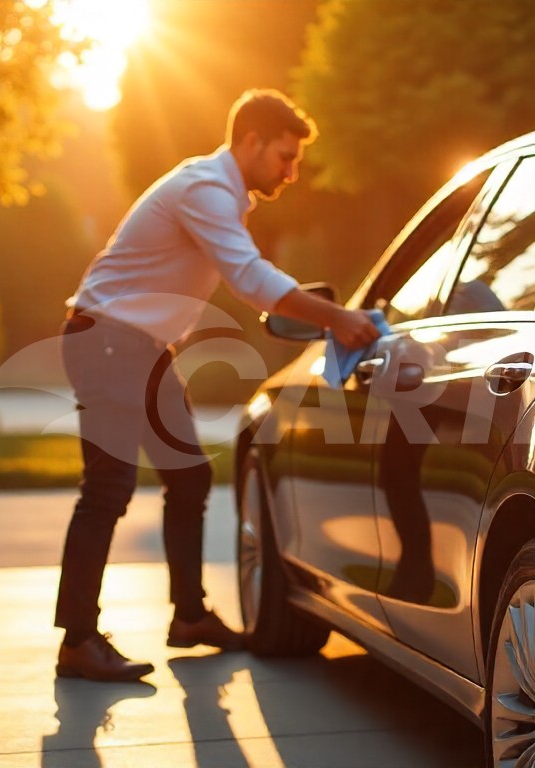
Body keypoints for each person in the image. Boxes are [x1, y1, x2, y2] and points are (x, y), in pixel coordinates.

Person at [54, 89, 380, 682]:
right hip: (108, 341)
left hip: (140, 348)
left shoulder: (217, 192)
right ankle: (78, 641)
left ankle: (189, 617)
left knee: (189, 474)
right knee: (107, 489)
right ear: (250, 141)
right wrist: (337, 319)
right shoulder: (205, 188)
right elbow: (250, 279)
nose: (292, 171)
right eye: (285, 156)